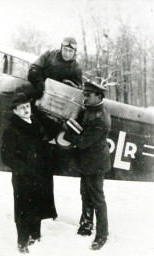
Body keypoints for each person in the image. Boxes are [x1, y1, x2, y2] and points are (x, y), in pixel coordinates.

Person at [1, 92, 57, 253]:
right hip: (23, 178)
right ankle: (22, 242)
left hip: (39, 174)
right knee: (23, 210)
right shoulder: (11, 130)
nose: (26, 109)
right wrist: (24, 170)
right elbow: (7, 157)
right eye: (22, 108)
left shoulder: (35, 123)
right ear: (15, 111)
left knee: (37, 206)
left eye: (27, 106)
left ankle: (35, 235)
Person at [64, 81, 111, 250]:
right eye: (84, 94)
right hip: (87, 162)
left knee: (97, 199)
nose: (85, 97)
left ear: (98, 96)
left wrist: (68, 135)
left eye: (88, 95)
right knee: (85, 194)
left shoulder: (100, 119)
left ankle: (102, 235)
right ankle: (86, 225)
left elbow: (83, 142)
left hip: (96, 164)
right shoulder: (91, 109)